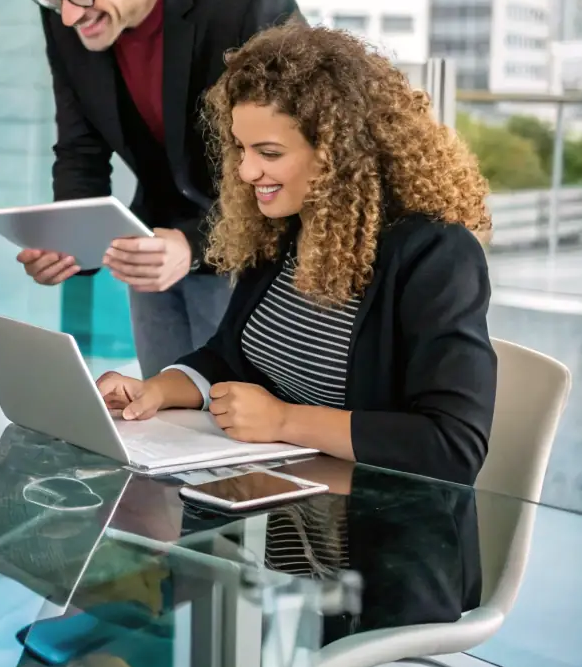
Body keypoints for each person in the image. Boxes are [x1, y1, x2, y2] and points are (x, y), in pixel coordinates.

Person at [96, 25, 496, 485]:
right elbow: (229, 357)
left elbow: (452, 444)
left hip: (384, 532)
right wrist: (155, 390)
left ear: (337, 152)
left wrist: (284, 420)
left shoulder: (437, 255)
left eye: (268, 152)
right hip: (296, 525)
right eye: (241, 149)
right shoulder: (287, 225)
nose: (246, 171)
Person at [11, 0, 303, 377]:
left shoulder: (250, 8)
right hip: (151, 248)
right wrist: (72, 242)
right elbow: (81, 146)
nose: (67, 17)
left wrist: (192, 245)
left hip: (254, 246)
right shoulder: (70, 10)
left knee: (237, 427)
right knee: (165, 420)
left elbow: (292, 162)